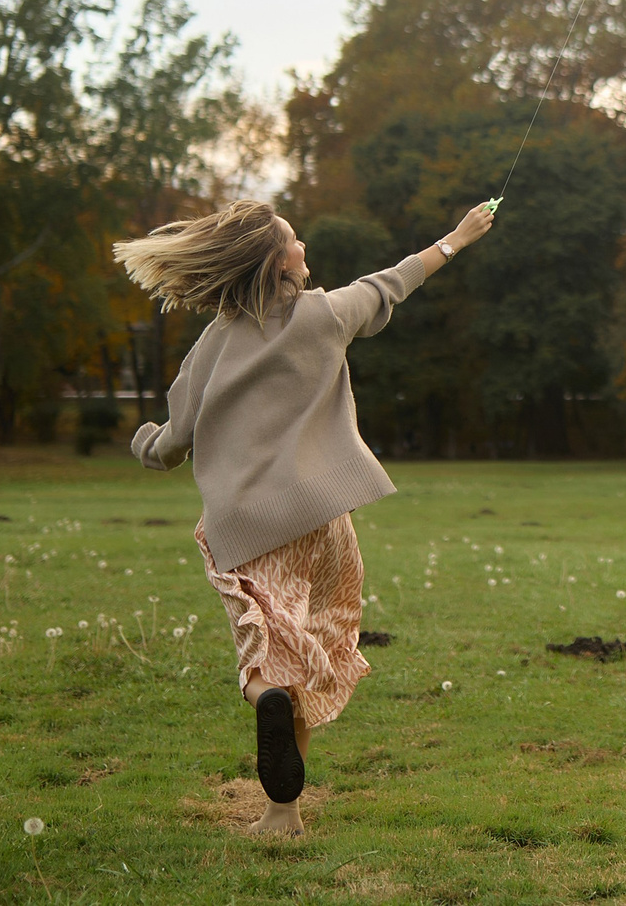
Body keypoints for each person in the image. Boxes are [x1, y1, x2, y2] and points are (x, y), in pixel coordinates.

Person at [114, 197, 495, 835]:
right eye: (296, 240)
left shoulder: (212, 346)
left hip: (249, 529)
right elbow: (396, 280)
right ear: (275, 262)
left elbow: (173, 442)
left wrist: (143, 444)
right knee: (311, 643)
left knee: (265, 657)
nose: (304, 248)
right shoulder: (325, 316)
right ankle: (283, 814)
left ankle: (264, 706)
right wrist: (457, 237)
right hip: (324, 521)